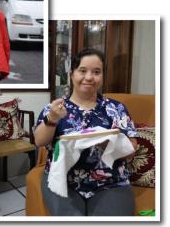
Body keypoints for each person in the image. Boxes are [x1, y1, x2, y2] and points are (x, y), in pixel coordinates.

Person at [33, 48, 138, 216]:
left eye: (96, 72)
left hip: (111, 182)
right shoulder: (56, 108)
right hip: (63, 180)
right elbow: (39, 141)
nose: (89, 77)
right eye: (82, 71)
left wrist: (108, 142)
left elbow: (132, 150)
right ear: (72, 74)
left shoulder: (116, 108)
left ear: (103, 75)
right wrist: (52, 118)